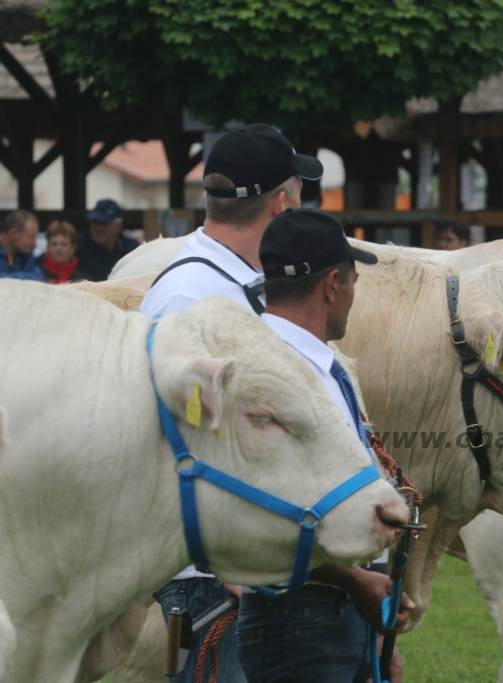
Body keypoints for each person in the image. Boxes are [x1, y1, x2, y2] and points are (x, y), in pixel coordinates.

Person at [141, 122, 324, 683]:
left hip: (241, 556)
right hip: (207, 572)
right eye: (298, 190)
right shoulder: (191, 293)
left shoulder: (231, 280)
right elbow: (169, 431)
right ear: (282, 203)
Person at [235, 208, 413, 683]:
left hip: (330, 610)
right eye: (354, 281)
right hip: (298, 612)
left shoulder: (308, 362)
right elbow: (262, 510)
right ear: (333, 284)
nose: (354, 297)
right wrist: (355, 581)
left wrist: (371, 625)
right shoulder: (277, 371)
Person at [76, 198, 139, 280]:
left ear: (118, 226)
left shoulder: (132, 249)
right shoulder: (77, 247)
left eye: (104, 223)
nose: (99, 228)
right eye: (95, 222)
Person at [0, 210, 44, 281]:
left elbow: (38, 276)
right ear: (13, 234)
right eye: (31, 236)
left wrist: (7, 277)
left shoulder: (26, 252)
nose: (35, 243)